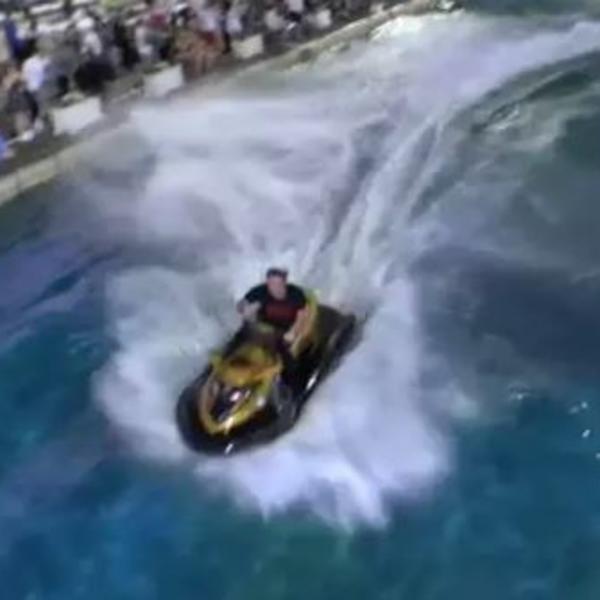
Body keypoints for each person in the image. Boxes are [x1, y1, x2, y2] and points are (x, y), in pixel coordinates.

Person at [236, 268, 309, 383]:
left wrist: (293, 331)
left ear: (284, 283)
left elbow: (302, 316)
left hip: (285, 328)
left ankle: (293, 379)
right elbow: (242, 303)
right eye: (270, 283)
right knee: (241, 336)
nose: (273, 287)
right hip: (265, 325)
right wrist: (244, 308)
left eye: (277, 284)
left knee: (281, 350)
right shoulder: (261, 291)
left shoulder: (295, 294)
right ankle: (222, 365)